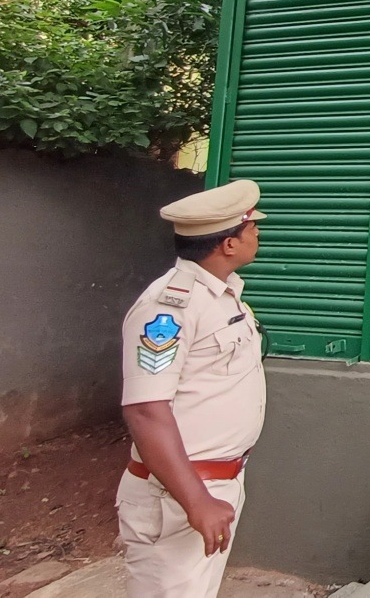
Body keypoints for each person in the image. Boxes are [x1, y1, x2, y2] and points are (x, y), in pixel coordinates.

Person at [116, 179, 268, 597]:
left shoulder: (223, 297)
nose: (258, 233)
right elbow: (145, 410)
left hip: (215, 484)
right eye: (251, 227)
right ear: (229, 245)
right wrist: (196, 500)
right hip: (177, 495)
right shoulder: (170, 307)